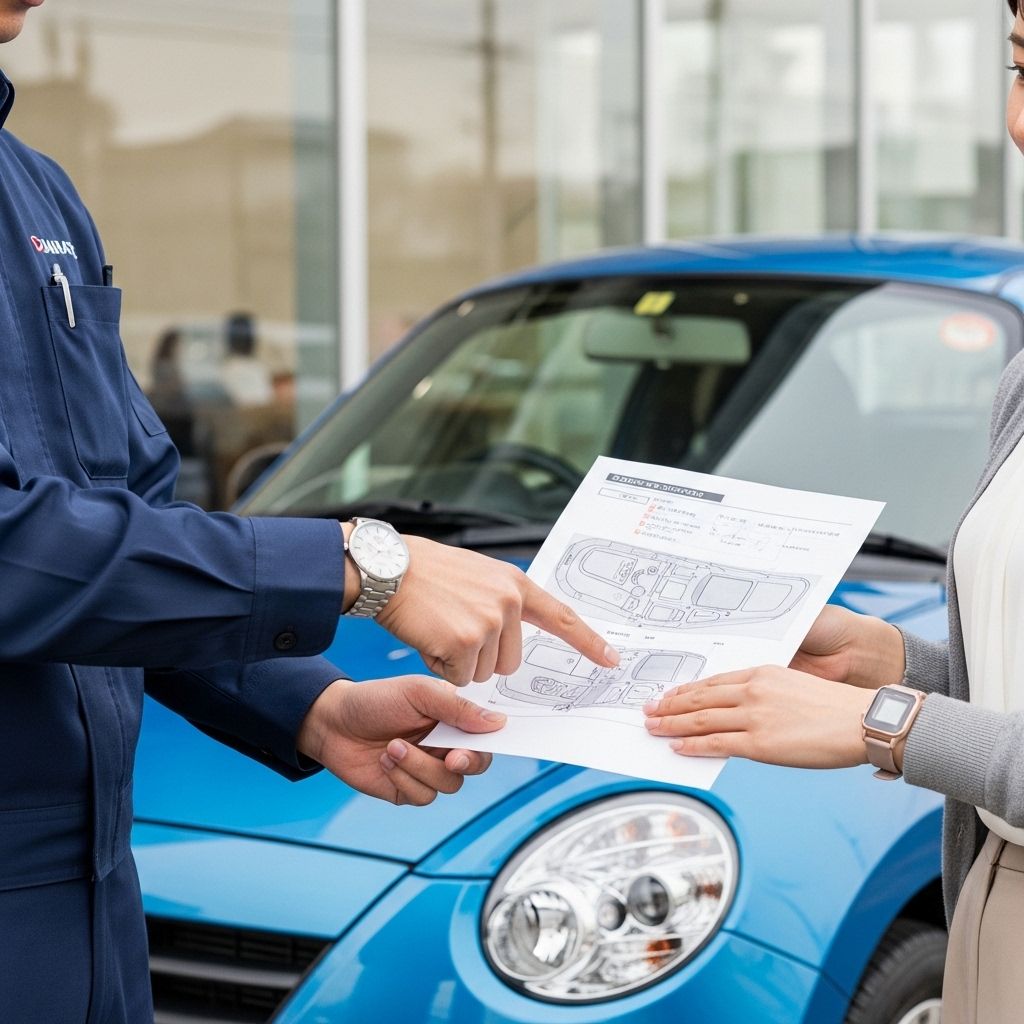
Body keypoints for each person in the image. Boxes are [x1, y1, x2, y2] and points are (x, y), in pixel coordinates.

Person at [0, 4, 617, 1021]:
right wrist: (364, 567)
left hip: (96, 905)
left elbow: (130, 509)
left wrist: (309, 704)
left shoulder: (39, 192)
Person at [643, 3, 1024, 1018]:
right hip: (992, 896)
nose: (1020, 117)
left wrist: (885, 723)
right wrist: (894, 664)